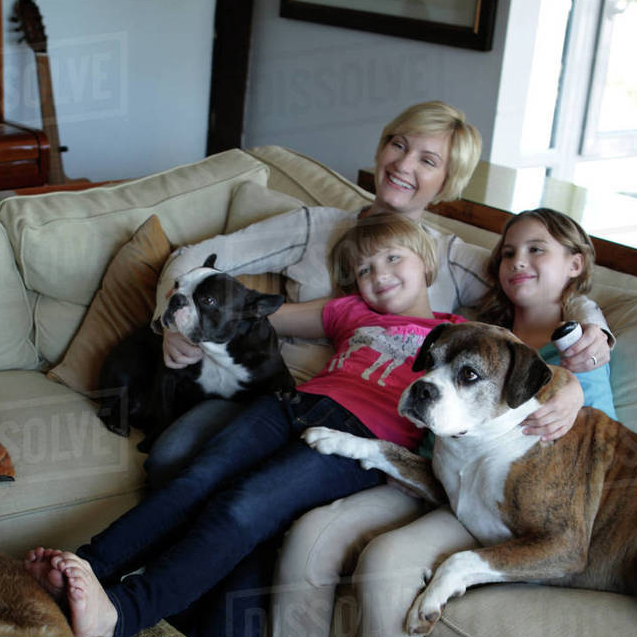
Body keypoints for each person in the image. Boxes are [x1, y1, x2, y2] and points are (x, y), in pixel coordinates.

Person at [262, 208, 616, 637]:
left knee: (386, 566)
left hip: (497, 502)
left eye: (537, 251)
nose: (517, 263)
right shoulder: (475, 321)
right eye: (507, 253)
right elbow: (414, 254)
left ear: (577, 265)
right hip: (426, 473)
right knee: (311, 537)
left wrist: (585, 343)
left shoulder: (581, 350)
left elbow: (589, 434)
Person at [25, 215, 465, 637]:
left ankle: (122, 611)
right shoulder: (350, 310)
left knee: (242, 507)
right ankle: (83, 568)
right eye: (364, 269)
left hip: (358, 439)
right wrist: (180, 329)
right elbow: (240, 308)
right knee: (195, 478)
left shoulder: (458, 334)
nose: (378, 274)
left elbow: (513, 375)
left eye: (392, 258)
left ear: (428, 261)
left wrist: (550, 395)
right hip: (290, 403)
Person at [145, 101, 613, 485]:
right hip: (265, 390)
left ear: (447, 182)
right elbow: (196, 256)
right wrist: (173, 327)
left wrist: (593, 338)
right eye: (398, 145)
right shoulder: (315, 226)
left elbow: (535, 283)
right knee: (172, 456)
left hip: (369, 416)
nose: (403, 165)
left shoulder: (449, 256)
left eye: (427, 161)